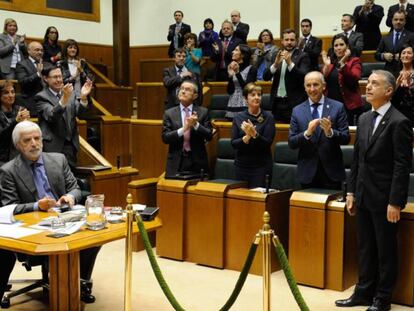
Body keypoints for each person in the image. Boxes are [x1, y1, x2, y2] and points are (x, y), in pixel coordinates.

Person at [335, 70, 412, 311]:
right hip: (363, 195)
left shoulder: (400, 122)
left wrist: (395, 202)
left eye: (374, 84)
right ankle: (363, 291)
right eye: (367, 83)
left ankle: (383, 298)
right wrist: (350, 193)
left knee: (385, 250)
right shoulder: (364, 118)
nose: (367, 87)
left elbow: (402, 166)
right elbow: (357, 160)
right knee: (365, 246)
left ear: (388, 91)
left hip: (385, 199)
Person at [0, 121, 101, 303]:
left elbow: (76, 188)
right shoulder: (8, 171)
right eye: (27, 140)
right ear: (18, 145)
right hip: (34, 227)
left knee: (93, 235)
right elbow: (10, 207)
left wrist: (70, 197)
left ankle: (81, 281)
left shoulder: (58, 159)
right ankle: (62, 285)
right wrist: (36, 206)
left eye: (37, 138)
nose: (34, 143)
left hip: (63, 217)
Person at [288, 71, 350, 190]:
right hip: (307, 173)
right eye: (308, 85)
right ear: (304, 88)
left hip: (332, 173)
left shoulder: (337, 107)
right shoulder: (297, 110)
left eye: (316, 84)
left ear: (324, 86)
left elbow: (346, 138)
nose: (312, 89)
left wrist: (330, 132)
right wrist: (307, 133)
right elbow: (292, 142)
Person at [35, 64, 93, 170]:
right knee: (56, 182)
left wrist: (84, 97)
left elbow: (80, 113)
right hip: (52, 147)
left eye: (60, 76)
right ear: (45, 78)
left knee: (70, 181)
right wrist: (63, 101)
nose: (59, 80)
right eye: (55, 77)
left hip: (70, 146)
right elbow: (51, 116)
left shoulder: (69, 93)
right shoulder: (41, 97)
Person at [162, 80, 212, 178]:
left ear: (195, 96)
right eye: (181, 89)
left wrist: (196, 125)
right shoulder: (169, 113)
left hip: (197, 162)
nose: (183, 91)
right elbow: (165, 137)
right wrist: (184, 128)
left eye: (187, 89)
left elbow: (209, 136)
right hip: (176, 162)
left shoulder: (203, 112)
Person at [231, 83, 275, 188]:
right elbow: (233, 143)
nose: (257, 97)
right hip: (242, 166)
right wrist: (247, 137)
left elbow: (267, 143)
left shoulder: (268, 117)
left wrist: (254, 134)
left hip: (261, 166)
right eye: (253, 95)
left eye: (259, 95)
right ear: (245, 98)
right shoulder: (238, 117)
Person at [263, 28, 310, 123]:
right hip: (276, 103)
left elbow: (303, 78)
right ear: (282, 41)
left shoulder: (303, 56)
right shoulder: (277, 55)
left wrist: (290, 63)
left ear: (296, 41)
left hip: (294, 103)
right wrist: (275, 64)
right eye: (286, 40)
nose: (289, 42)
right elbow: (266, 77)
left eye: (292, 40)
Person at [322, 34, 363, 125]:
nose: (338, 48)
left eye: (341, 44)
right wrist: (326, 66)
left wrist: (344, 60)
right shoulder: (330, 63)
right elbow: (323, 81)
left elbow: (354, 78)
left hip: (349, 106)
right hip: (331, 105)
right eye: (336, 45)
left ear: (347, 46)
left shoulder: (354, 61)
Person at [375, 10, 414, 77]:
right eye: (396, 19)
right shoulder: (385, 37)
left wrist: (404, 55)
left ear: (405, 22)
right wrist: (383, 56)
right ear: (392, 21)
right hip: (389, 73)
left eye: (401, 20)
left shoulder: (411, 36)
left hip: (406, 72)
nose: (398, 22)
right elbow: (376, 54)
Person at [0, 80, 30, 166]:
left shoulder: (20, 109)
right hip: (3, 156)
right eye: (6, 93)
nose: (11, 95)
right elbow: (2, 136)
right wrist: (16, 121)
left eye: (13, 92)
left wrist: (26, 121)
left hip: (20, 154)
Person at [226, 44, 257, 119]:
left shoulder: (252, 69)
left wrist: (237, 73)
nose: (233, 52)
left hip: (245, 102)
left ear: (242, 55)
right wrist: (230, 77)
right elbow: (229, 91)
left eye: (236, 50)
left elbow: (247, 89)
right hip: (232, 102)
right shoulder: (232, 67)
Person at [15, 41, 44, 116]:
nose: (40, 52)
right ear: (29, 51)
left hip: (45, 102)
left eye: (41, 50)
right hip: (31, 102)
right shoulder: (22, 64)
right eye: (37, 50)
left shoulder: (45, 64)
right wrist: (38, 74)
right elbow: (23, 82)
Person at [392, 44, 414, 125]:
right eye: (403, 53)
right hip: (396, 114)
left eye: (409, 53)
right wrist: (396, 86)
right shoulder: (393, 74)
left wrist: (410, 88)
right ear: (400, 57)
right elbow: (389, 98)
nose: (406, 55)